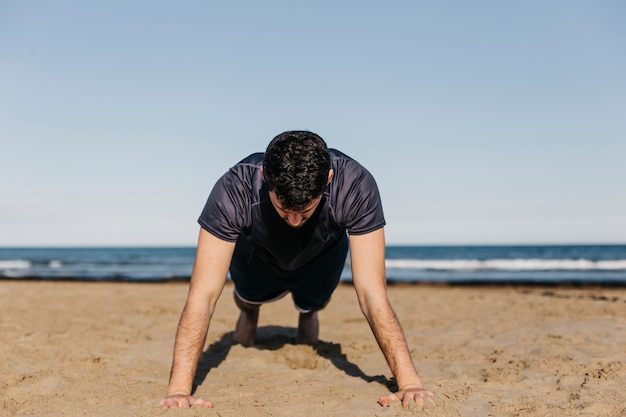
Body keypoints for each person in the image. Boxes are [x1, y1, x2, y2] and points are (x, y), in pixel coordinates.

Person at [159, 130, 435, 409]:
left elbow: (372, 295)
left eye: (305, 210)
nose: (293, 220)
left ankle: (306, 311)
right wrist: (179, 390)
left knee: (311, 305)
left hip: (321, 255)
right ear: (265, 177)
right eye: (282, 208)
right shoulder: (234, 187)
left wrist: (409, 383)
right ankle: (250, 311)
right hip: (258, 255)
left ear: (328, 179)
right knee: (248, 300)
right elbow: (202, 296)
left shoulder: (355, 184)